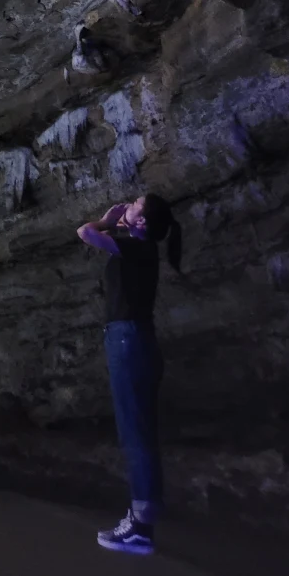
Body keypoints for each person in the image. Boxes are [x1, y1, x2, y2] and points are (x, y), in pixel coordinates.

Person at [77, 193, 182, 554]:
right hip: (132, 339)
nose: (129, 203)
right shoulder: (138, 248)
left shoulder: (137, 247)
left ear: (141, 223)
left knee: (135, 433)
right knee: (139, 431)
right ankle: (141, 516)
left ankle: (140, 527)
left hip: (128, 341)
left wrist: (107, 221)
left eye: (136, 203)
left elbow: (85, 233)